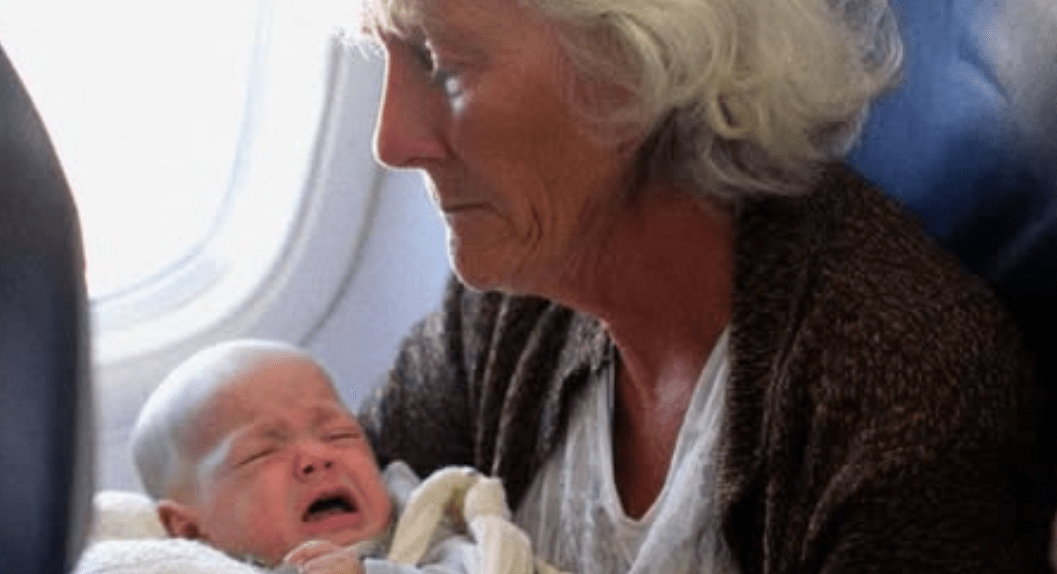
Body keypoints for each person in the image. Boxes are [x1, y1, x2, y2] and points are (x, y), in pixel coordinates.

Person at [354, 0, 1053, 572]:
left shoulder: (900, 397)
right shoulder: (508, 305)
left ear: (630, 67)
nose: (391, 139)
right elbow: (331, 510)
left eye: (440, 65)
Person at [103, 339, 551, 574]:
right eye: (262, 452)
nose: (317, 458)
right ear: (189, 530)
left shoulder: (425, 532)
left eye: (339, 434)